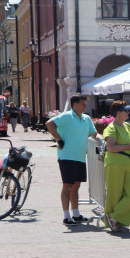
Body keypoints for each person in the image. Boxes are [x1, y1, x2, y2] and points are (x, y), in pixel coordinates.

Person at [46, 94, 101, 225]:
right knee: (68, 186)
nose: (85, 106)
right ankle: (66, 216)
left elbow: (93, 133)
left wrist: (101, 138)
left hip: (80, 157)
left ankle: (76, 214)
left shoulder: (86, 118)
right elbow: (49, 124)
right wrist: (58, 139)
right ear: (74, 104)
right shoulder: (66, 116)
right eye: (82, 103)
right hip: (67, 156)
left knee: (76, 185)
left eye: (85, 103)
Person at [102, 100, 130, 232]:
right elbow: (111, 147)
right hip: (114, 163)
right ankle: (115, 222)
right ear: (118, 113)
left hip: (127, 164)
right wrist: (129, 146)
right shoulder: (111, 128)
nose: (128, 112)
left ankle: (113, 217)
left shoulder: (128, 126)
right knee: (115, 194)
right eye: (126, 110)